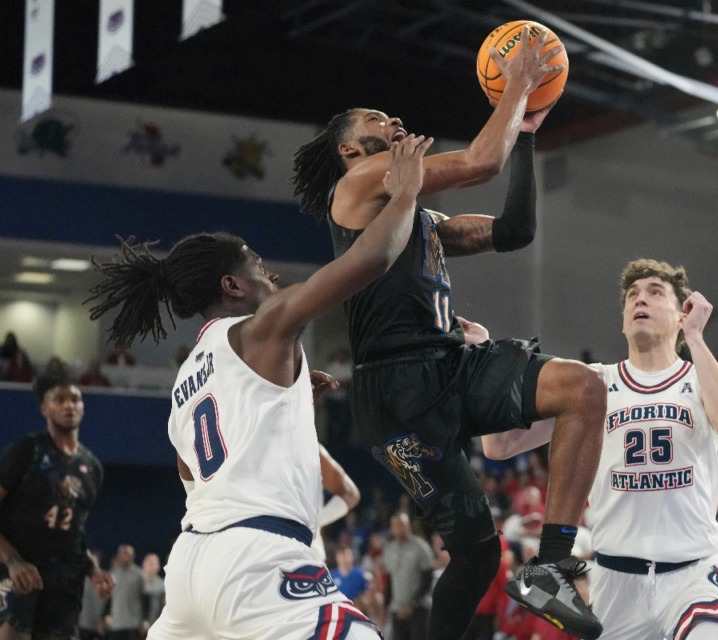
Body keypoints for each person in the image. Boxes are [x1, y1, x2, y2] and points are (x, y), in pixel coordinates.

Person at [291, 26, 604, 640]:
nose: (394, 119)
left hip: (451, 364)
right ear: (353, 153)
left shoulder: (423, 217)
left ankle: (552, 567)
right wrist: (515, 85)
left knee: (585, 389)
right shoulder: (353, 188)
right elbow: (477, 161)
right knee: (478, 554)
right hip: (396, 395)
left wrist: (528, 140)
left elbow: (514, 231)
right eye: (377, 120)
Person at [85, 133, 434, 639]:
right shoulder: (263, 325)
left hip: (190, 567)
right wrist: (405, 193)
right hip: (257, 562)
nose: (266, 268)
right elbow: (369, 262)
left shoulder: (186, 379)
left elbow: (200, 473)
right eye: (252, 259)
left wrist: (285, 404)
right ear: (231, 285)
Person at [483, 258, 718, 640]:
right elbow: (499, 445)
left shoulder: (699, 375)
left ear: (680, 315)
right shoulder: (593, 384)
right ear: (623, 318)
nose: (641, 299)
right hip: (615, 580)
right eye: (632, 295)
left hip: (693, 573)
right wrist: (486, 369)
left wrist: (696, 339)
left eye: (656, 292)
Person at [0, 373, 115, 639]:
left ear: (83, 406)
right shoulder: (27, 451)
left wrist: (93, 570)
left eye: (75, 399)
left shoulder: (92, 468)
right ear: (44, 408)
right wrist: (13, 561)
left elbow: (74, 535)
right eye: (59, 399)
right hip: (17, 573)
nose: (68, 405)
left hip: (64, 583)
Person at [382, 513, 434, 640]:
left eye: (402, 525)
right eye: (395, 525)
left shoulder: (421, 547)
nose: (399, 528)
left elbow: (427, 578)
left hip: (418, 608)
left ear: (408, 527)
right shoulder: (389, 549)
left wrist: (413, 603)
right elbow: (389, 580)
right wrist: (386, 605)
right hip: (397, 608)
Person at [104, 544, 143, 640]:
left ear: (133, 556)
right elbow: (108, 598)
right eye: (123, 553)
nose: (126, 556)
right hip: (116, 624)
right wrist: (105, 615)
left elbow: (144, 598)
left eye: (128, 553)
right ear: (118, 555)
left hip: (133, 625)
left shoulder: (139, 575)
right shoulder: (112, 574)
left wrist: (143, 620)